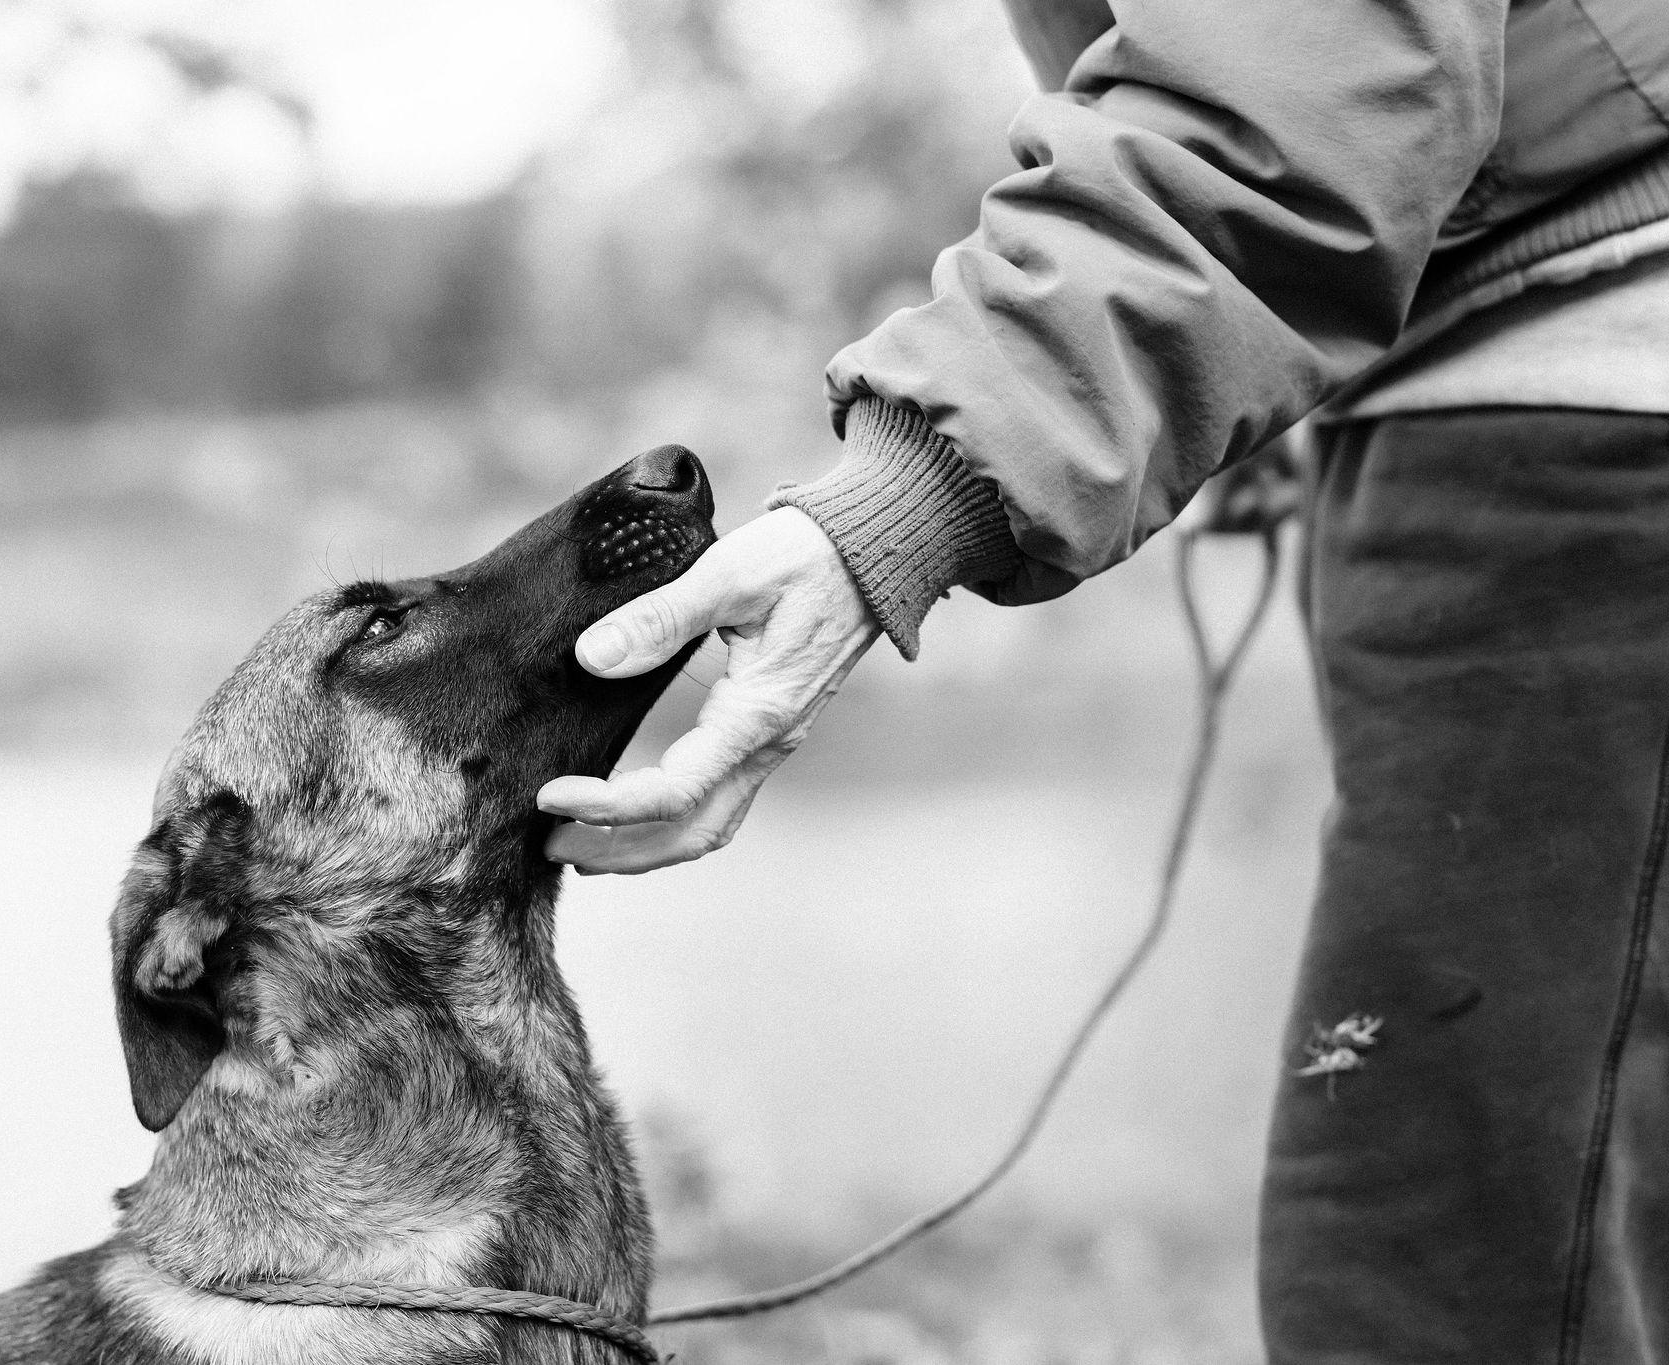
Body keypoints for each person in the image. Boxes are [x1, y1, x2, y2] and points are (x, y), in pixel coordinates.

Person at [536, 2, 1669, 1361]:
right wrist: (1249, 395)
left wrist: (908, 496)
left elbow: (1307, 76)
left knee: (1431, 1287)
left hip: (1585, 418)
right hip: (1532, 381)